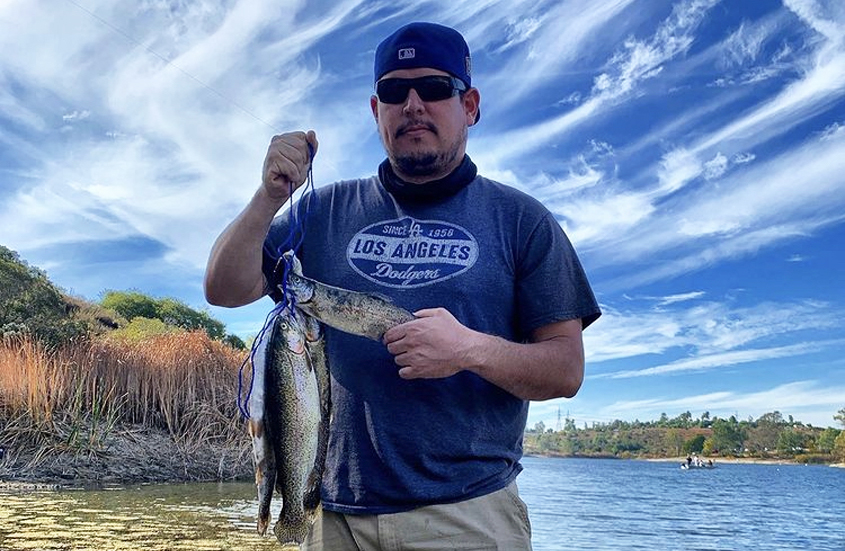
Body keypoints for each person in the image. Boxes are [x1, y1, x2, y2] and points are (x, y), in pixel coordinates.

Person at [205, 21, 601, 551]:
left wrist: (469, 350)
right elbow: (223, 289)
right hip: (329, 518)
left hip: (466, 515)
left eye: (435, 88)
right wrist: (268, 196)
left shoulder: (522, 221)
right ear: (376, 111)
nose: (413, 104)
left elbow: (566, 369)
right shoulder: (322, 211)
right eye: (395, 91)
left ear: (471, 106)